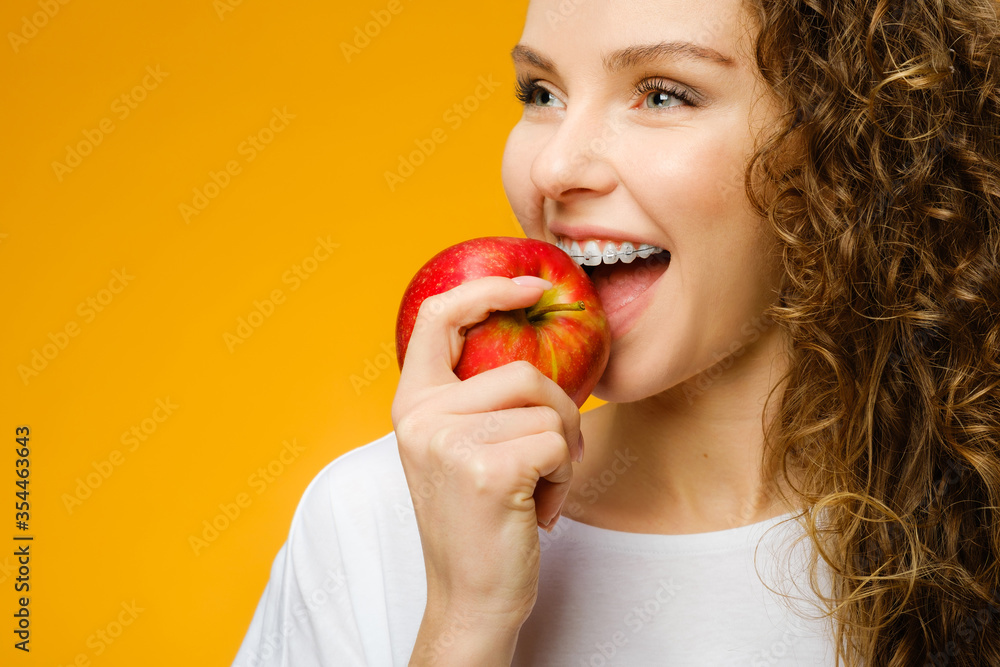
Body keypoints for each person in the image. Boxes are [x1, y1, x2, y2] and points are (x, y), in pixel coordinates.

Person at [232, 0, 1000, 664]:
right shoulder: (375, 521)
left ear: (852, 145)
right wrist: (464, 624)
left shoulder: (977, 512)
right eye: (541, 92)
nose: (554, 165)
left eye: (663, 95)